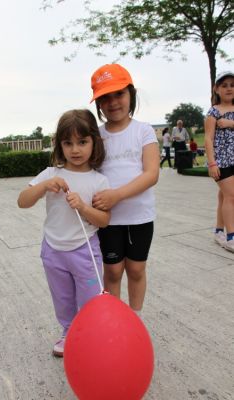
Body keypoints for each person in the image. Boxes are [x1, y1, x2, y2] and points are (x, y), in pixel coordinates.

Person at [18, 109, 110, 357]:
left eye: (82, 142)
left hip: (85, 252)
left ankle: (91, 333)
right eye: (68, 143)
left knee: (91, 298)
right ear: (59, 145)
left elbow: (103, 220)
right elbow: (23, 201)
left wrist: (83, 207)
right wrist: (44, 186)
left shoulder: (99, 181)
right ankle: (69, 331)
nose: (75, 150)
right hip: (53, 251)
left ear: (94, 142)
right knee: (62, 298)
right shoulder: (51, 174)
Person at [90, 64, 159, 317]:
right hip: (108, 219)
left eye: (118, 94)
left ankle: (135, 319)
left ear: (131, 93)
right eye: (104, 97)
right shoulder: (95, 136)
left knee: (136, 270)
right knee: (112, 271)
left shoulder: (143, 130)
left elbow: (152, 174)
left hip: (140, 217)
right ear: (98, 104)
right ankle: (114, 321)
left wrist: (117, 195)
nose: (113, 102)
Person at [204, 70, 234, 253]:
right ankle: (231, 236)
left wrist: (231, 124)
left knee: (224, 196)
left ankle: (218, 231)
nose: (229, 88)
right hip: (222, 161)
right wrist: (212, 163)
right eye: (224, 85)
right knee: (231, 196)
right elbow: (208, 139)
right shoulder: (213, 112)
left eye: (232, 85)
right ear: (216, 89)